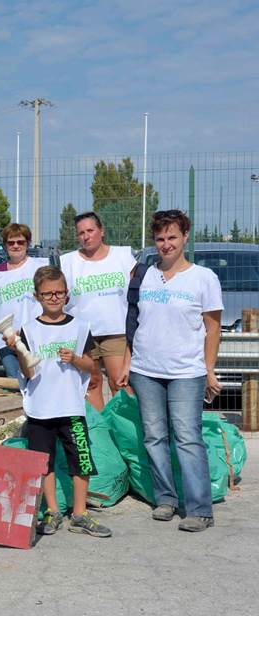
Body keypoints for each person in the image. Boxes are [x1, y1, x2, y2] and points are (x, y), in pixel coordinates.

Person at [117, 210, 222, 533]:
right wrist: (127, 363)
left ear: (185, 236)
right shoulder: (143, 275)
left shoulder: (203, 278)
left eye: (172, 237)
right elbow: (134, 324)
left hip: (186, 372)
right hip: (145, 369)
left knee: (188, 438)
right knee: (154, 437)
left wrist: (209, 370)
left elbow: (213, 329)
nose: (166, 244)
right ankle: (165, 498)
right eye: (160, 238)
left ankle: (200, 509)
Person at [11, 266, 111, 538]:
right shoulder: (28, 330)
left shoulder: (80, 327)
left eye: (59, 293)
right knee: (44, 462)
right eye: (47, 294)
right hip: (40, 409)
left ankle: (80, 513)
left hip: (72, 408)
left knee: (81, 460)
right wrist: (19, 351)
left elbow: (91, 366)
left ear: (67, 294)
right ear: (37, 296)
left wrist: (75, 359)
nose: (54, 298)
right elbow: (28, 372)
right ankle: (52, 510)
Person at [60, 211, 136, 411]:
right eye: (81, 233)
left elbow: (137, 291)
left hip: (116, 331)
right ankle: (99, 426)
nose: (86, 236)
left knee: (120, 383)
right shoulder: (68, 262)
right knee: (91, 383)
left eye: (90, 230)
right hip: (83, 333)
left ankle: (126, 426)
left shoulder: (122, 256)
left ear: (101, 231)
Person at [0, 223, 49, 380]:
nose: (16, 246)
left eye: (20, 242)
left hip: (35, 336)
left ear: (28, 243)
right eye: (11, 242)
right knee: (15, 382)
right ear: (5, 245)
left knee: (37, 379)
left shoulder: (40, 267)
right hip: (6, 340)